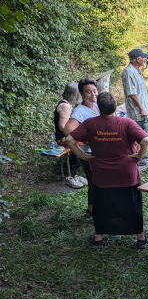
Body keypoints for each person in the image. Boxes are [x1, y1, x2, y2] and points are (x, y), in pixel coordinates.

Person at [66, 92, 148, 250]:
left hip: (101, 174)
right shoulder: (127, 123)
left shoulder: (90, 124)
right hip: (127, 173)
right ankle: (140, 238)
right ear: (115, 106)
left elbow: (69, 140)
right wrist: (139, 155)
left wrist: (83, 156)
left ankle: (99, 238)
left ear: (99, 108)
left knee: (102, 204)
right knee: (132, 204)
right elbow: (146, 140)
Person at [64, 78, 100, 215]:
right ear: (81, 94)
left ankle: (93, 209)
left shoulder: (97, 105)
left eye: (95, 91)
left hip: (100, 152)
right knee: (93, 182)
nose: (93, 94)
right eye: (88, 92)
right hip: (89, 153)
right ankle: (91, 211)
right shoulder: (79, 111)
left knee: (100, 181)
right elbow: (68, 131)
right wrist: (86, 139)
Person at [122, 48, 148, 167]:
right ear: (138, 59)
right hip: (137, 111)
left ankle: (142, 154)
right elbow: (132, 93)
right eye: (143, 58)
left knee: (143, 133)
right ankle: (137, 157)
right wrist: (141, 108)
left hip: (143, 108)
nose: (145, 59)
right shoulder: (129, 72)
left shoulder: (136, 70)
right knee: (139, 135)